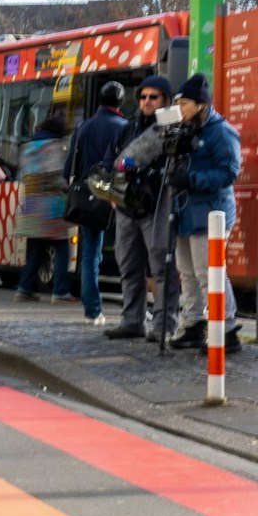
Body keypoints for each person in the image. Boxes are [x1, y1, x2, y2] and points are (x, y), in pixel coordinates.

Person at [168, 72, 243, 354]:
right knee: (186, 271)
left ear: (200, 104)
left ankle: (226, 327)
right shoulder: (187, 130)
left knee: (209, 272)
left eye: (184, 103)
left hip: (211, 212)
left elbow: (229, 172)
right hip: (186, 210)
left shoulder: (221, 131)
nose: (180, 109)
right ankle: (193, 322)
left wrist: (192, 179)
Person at [106, 76, 181, 342]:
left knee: (161, 267)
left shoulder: (172, 127)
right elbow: (109, 160)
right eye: (143, 96)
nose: (147, 101)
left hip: (156, 206)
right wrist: (110, 191)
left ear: (166, 100)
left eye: (154, 97)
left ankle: (164, 323)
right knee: (128, 267)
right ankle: (132, 321)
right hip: (126, 207)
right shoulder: (127, 128)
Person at [67, 82, 129, 325]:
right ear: (121, 103)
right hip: (117, 198)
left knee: (90, 255)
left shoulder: (83, 127)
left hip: (89, 198)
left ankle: (92, 310)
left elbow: (68, 167)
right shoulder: (124, 127)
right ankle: (133, 310)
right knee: (130, 253)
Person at [15, 112, 76, 303]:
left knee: (35, 250)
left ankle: (24, 289)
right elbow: (57, 176)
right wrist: (68, 186)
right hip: (51, 206)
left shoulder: (28, 147)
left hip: (31, 203)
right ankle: (60, 291)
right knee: (62, 249)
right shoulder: (54, 147)